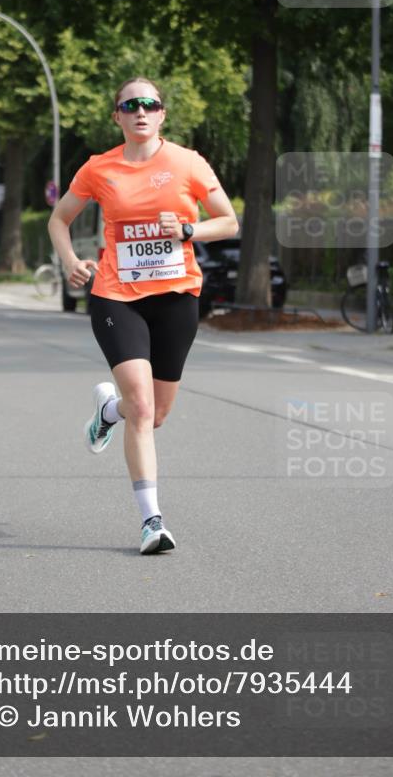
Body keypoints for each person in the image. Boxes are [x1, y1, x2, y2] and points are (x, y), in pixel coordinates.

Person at [48, 77, 238, 554]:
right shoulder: (99, 168)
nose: (140, 111)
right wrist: (70, 261)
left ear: (161, 114)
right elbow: (58, 218)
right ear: (117, 116)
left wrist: (190, 228)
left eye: (149, 104)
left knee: (154, 415)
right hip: (117, 296)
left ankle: (107, 411)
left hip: (176, 297)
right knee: (143, 404)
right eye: (129, 105)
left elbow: (230, 221)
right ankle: (151, 521)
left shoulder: (187, 162)